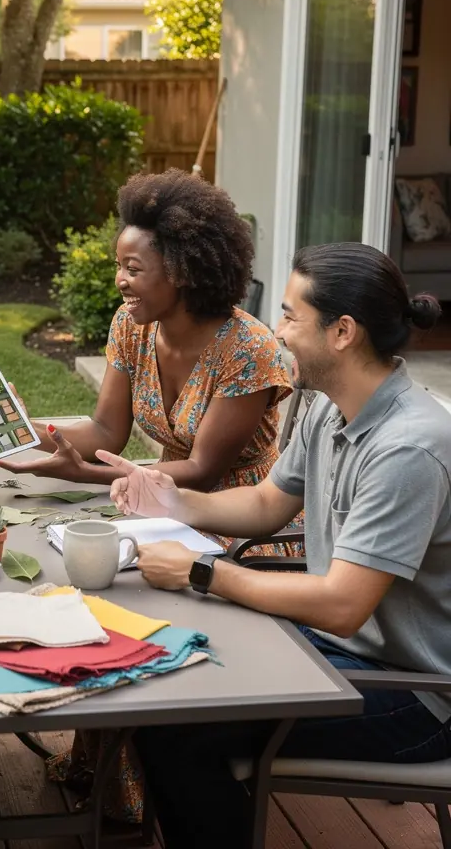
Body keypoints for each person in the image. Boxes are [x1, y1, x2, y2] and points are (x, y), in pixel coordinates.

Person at [101, 243, 451, 849]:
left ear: (342, 332)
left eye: (290, 316)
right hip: (334, 652)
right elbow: (267, 504)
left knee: (176, 729)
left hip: (413, 696)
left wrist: (201, 573)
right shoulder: (328, 405)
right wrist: (171, 498)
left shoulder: (408, 449)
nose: (278, 331)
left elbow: (343, 604)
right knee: (164, 684)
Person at [0, 169, 291, 504]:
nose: (120, 281)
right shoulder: (131, 326)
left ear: (182, 272)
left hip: (241, 517)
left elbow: (202, 471)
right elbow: (105, 432)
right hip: (160, 500)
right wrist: (21, 428)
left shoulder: (246, 348)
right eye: (119, 266)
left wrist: (87, 473)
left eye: (133, 269)